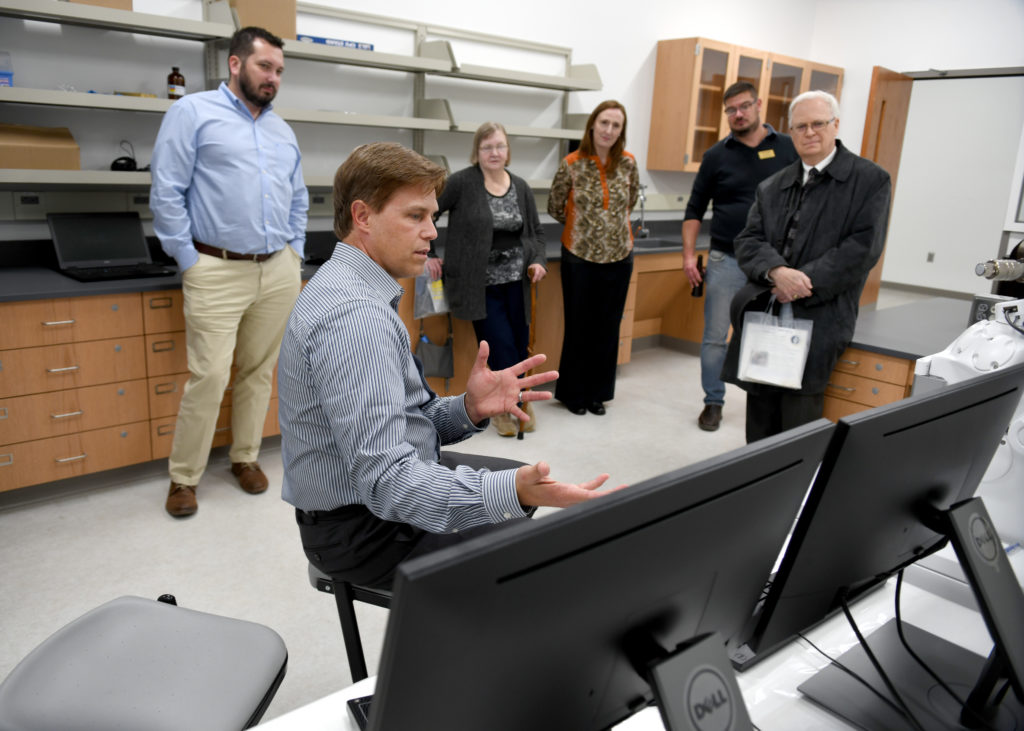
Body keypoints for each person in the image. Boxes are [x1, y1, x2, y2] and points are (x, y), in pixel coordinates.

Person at [278, 142, 620, 590]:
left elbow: (404, 424)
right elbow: (389, 484)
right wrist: (509, 493)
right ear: (363, 216)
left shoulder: (356, 287)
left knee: (527, 502)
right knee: (535, 566)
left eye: (432, 218)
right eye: (415, 216)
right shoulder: (353, 318)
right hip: (361, 531)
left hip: (370, 502)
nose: (432, 233)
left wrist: (470, 408)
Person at [150, 26, 308, 518]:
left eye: (279, 71)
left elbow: (298, 197)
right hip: (215, 266)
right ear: (236, 64)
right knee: (210, 374)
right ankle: (184, 477)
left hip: (276, 268)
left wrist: (295, 252)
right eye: (265, 67)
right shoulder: (192, 112)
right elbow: (166, 189)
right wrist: (188, 259)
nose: (273, 78)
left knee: (259, 372)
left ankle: (245, 458)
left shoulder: (282, 130)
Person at [722, 90, 891, 443]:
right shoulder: (772, 185)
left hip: (820, 317)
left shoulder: (870, 180)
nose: (809, 132)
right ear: (790, 131)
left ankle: (794, 492)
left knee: (799, 421)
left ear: (836, 126)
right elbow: (749, 240)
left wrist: (802, 282)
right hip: (767, 314)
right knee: (760, 415)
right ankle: (759, 484)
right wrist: (776, 273)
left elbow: (862, 249)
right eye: (801, 126)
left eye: (818, 124)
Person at [682, 82, 798, 432]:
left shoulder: (789, 149)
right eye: (730, 110)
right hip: (726, 260)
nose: (738, 114)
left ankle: (764, 405)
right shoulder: (717, 155)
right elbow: (694, 209)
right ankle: (712, 403)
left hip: (775, 265)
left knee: (769, 334)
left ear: (759, 104)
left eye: (744, 106)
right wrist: (689, 256)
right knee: (716, 337)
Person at [428, 122, 548, 437]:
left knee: (519, 344)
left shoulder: (519, 186)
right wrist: (428, 252)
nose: (494, 153)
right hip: (478, 286)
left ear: (508, 151)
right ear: (477, 151)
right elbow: (428, 209)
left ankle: (515, 400)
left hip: (517, 284)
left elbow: (535, 232)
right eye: (487, 147)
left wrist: (536, 261)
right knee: (501, 346)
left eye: (499, 146)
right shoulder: (462, 183)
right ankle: (508, 407)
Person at [548, 100, 639, 416]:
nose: (609, 130)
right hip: (579, 256)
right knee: (580, 326)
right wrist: (583, 227)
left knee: (608, 327)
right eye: (604, 123)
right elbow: (555, 205)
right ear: (592, 125)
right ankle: (574, 395)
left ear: (621, 131)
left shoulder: (627, 163)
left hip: (619, 256)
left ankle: (598, 394)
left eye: (616, 125)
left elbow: (629, 202)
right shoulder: (572, 163)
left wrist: (609, 230)